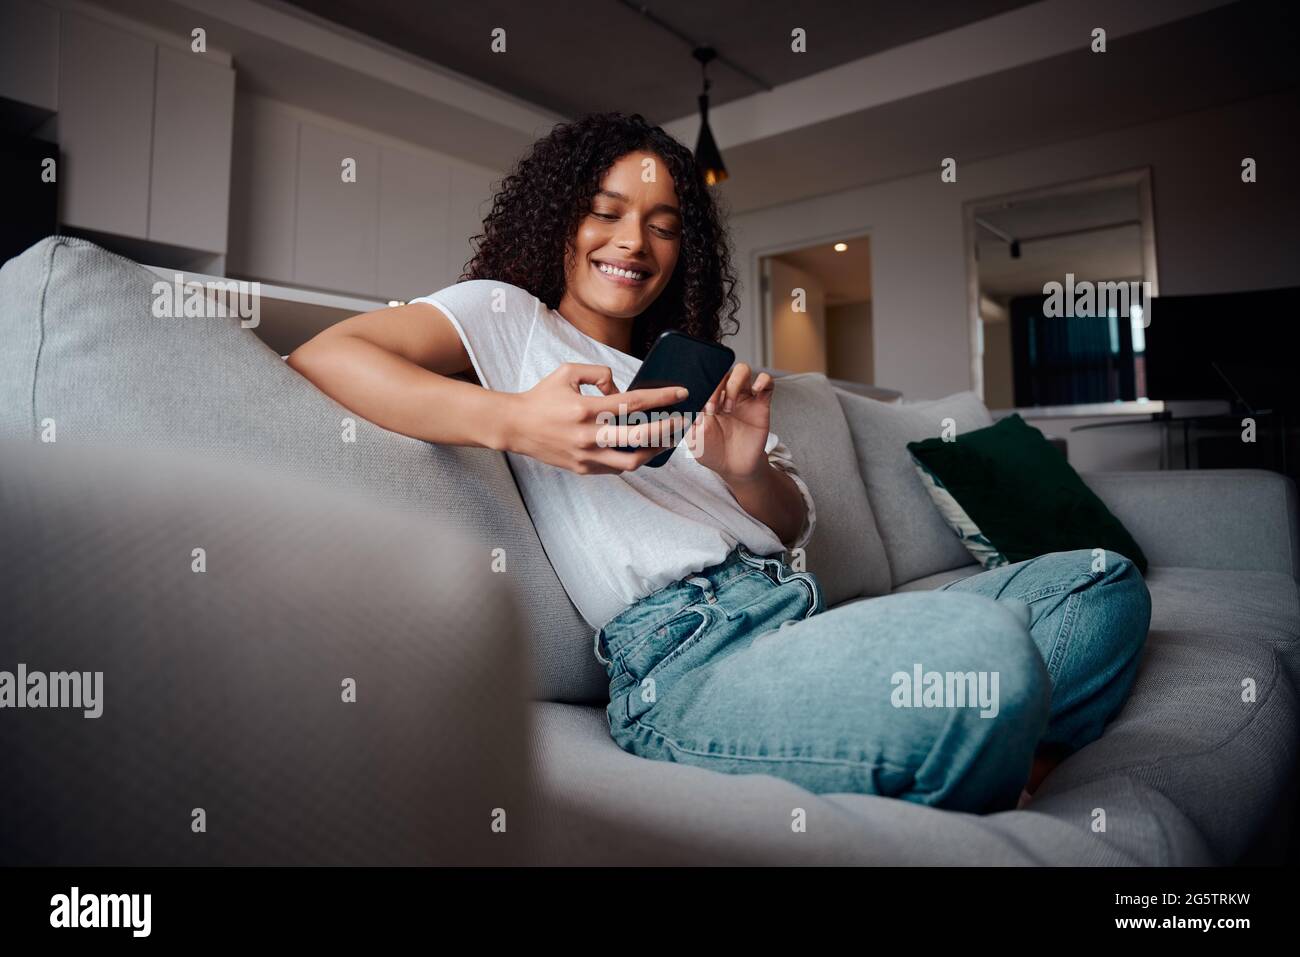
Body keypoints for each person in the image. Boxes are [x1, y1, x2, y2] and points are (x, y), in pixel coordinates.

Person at [287, 112, 1150, 813]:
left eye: (663, 226)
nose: (635, 241)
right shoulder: (508, 319)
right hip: (687, 665)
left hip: (794, 617)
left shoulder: (697, 372)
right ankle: (980, 734)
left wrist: (746, 470)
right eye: (607, 210)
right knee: (980, 653)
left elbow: (788, 522)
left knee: (1100, 580)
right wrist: (515, 421)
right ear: (559, 216)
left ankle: (1001, 750)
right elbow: (326, 355)